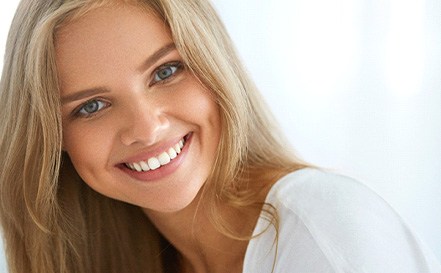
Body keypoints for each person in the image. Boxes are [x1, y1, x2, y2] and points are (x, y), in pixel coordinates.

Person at [0, 0, 440, 272]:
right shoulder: (124, 254)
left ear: (214, 65)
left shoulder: (323, 229)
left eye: (166, 71)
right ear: (52, 136)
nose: (146, 128)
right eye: (91, 106)